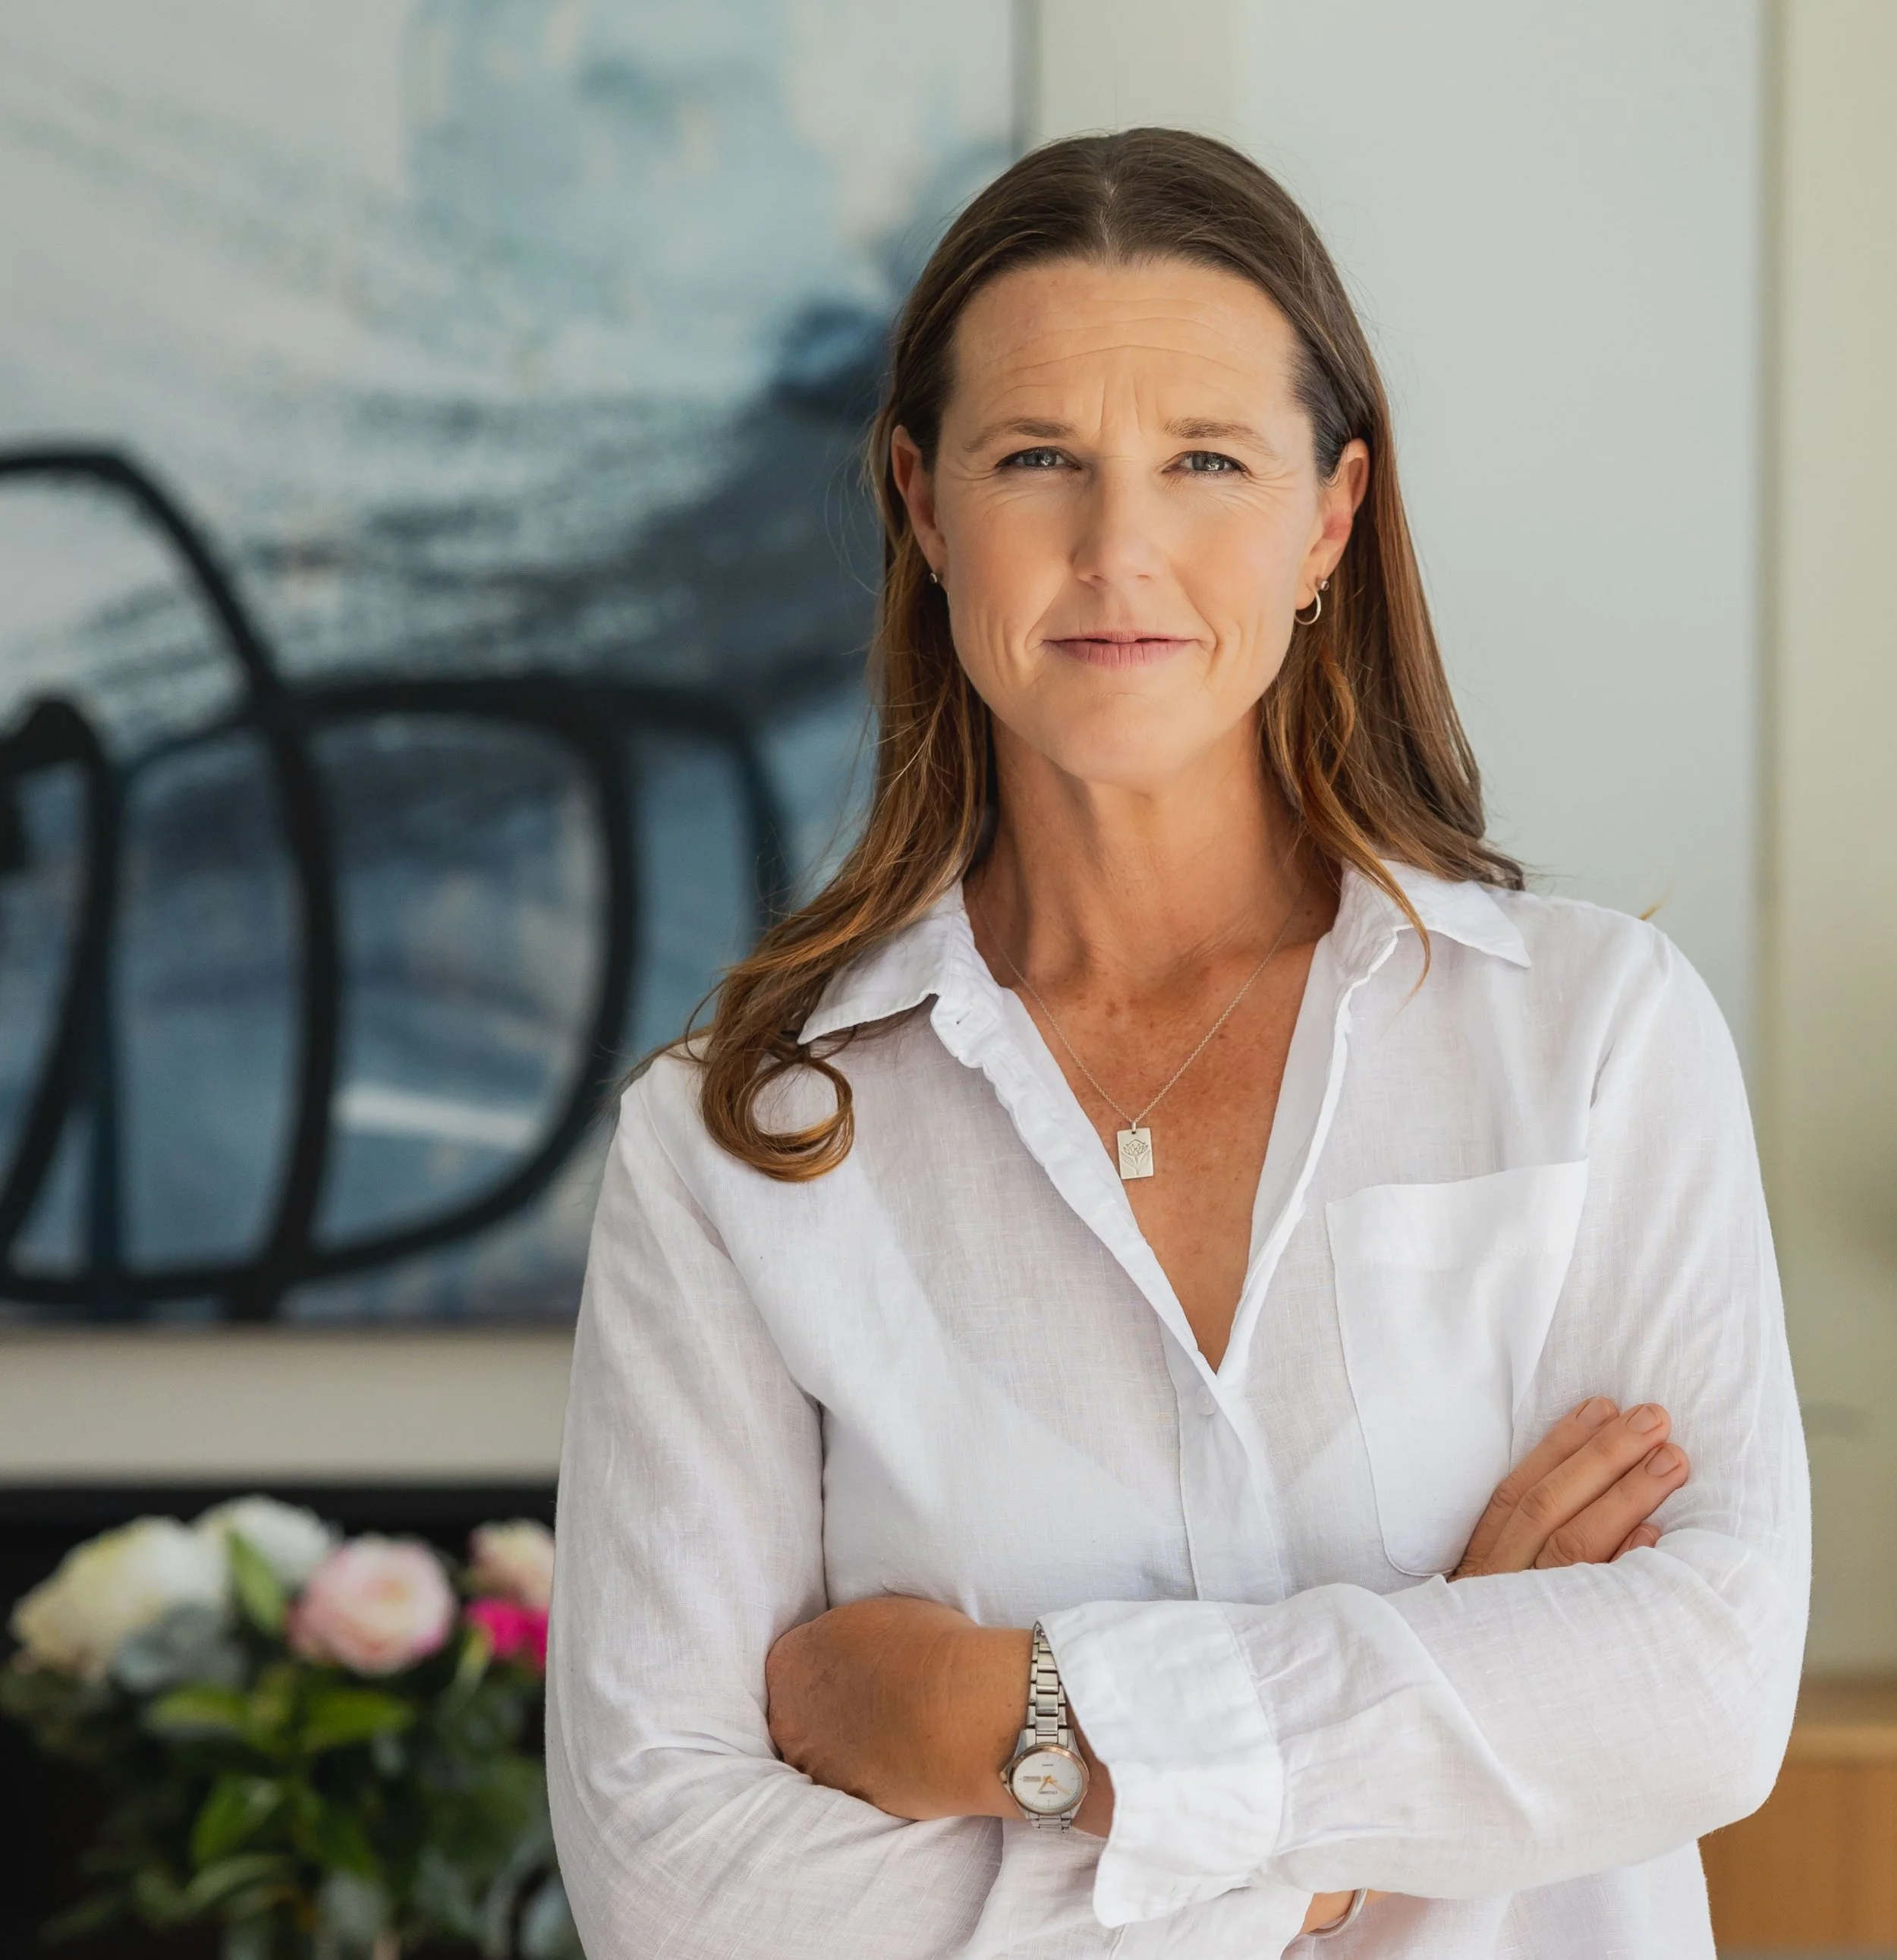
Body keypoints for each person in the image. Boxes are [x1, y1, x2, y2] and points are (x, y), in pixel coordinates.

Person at [547, 129, 1807, 1957]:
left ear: (1327, 517)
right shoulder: (740, 1140)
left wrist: (1005, 1721)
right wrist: (1339, 1846)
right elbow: (674, 1881)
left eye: (1204, 460)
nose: (1116, 548)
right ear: (920, 504)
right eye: (1035, 458)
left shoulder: (1594, 1038)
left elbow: (1697, 1689)